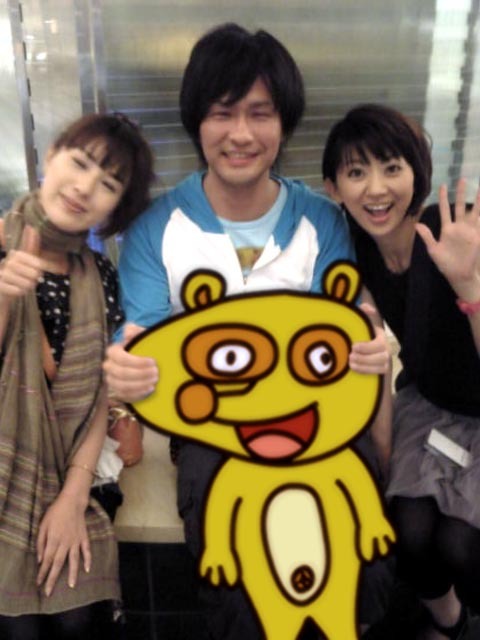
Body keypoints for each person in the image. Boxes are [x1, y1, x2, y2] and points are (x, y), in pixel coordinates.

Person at [103, 24, 391, 639]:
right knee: (232, 547)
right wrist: (127, 366)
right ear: (196, 122)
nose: (241, 134)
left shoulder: (322, 221)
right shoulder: (156, 228)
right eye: (222, 113)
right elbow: (145, 342)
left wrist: (366, 342)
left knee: (353, 533)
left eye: (260, 113)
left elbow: (339, 334)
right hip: (211, 421)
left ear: (284, 124)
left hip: (315, 413)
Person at [322, 103, 480, 640]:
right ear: (334, 188)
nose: (376, 189)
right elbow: (377, 363)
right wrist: (387, 464)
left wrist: (469, 286)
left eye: (392, 167)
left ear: (417, 171)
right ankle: (449, 624)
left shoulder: (453, 232)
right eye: (356, 172)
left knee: (460, 543)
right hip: (428, 405)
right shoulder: (357, 252)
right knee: (407, 529)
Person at [0, 112, 153, 639]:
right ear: (51, 157)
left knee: (78, 615)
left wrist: (71, 499)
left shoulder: (100, 275)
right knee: (18, 625)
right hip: (8, 464)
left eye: (108, 183)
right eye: (81, 163)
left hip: (72, 470)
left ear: (115, 208)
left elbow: (97, 399)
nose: (85, 187)